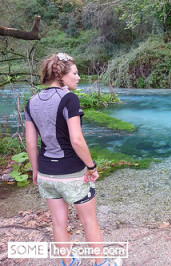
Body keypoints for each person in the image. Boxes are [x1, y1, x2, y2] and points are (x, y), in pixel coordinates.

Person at [25, 53, 120, 266]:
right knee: (89, 221)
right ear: (61, 75)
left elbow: (31, 143)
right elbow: (76, 140)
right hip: (72, 174)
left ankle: (68, 263)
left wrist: (35, 170)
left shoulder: (31, 102)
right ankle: (101, 262)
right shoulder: (69, 99)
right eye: (75, 74)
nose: (78, 78)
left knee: (58, 223)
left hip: (46, 173)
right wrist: (91, 166)